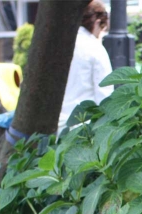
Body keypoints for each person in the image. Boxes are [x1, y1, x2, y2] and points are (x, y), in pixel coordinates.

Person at [58, 1, 113, 131]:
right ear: (97, 22)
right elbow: (104, 94)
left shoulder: (60, 46)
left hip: (57, 124)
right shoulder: (95, 48)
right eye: (102, 29)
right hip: (84, 126)